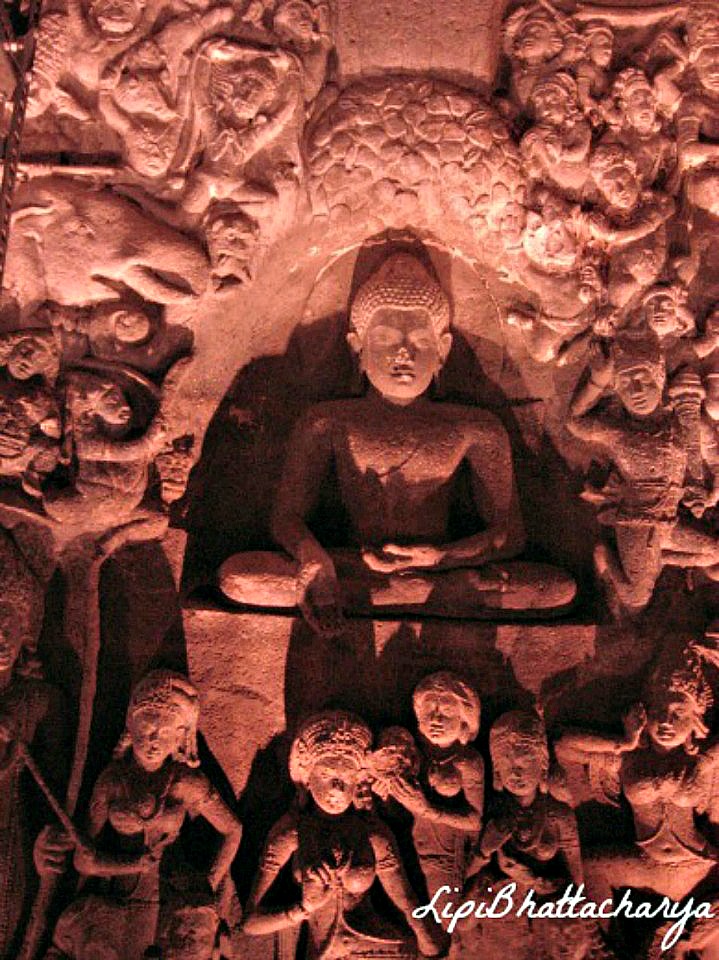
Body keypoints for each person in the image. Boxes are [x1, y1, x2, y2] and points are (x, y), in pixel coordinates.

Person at [220, 250, 576, 631]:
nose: (403, 352)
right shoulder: (326, 421)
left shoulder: (478, 427)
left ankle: (417, 589)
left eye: (420, 340)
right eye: (386, 338)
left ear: (443, 350)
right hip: (352, 567)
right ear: (358, 347)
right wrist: (314, 558)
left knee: (556, 587)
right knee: (239, 576)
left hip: (442, 573)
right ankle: (399, 591)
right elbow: (285, 520)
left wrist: (438, 557)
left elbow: (508, 536)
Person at [242, 710, 445, 958]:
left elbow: (407, 902)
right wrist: (302, 908)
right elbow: (250, 924)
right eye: (326, 775)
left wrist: (430, 943)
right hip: (325, 950)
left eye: (346, 777)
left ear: (358, 781)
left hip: (373, 944)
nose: (337, 788)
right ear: (307, 778)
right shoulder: (293, 832)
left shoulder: (371, 833)